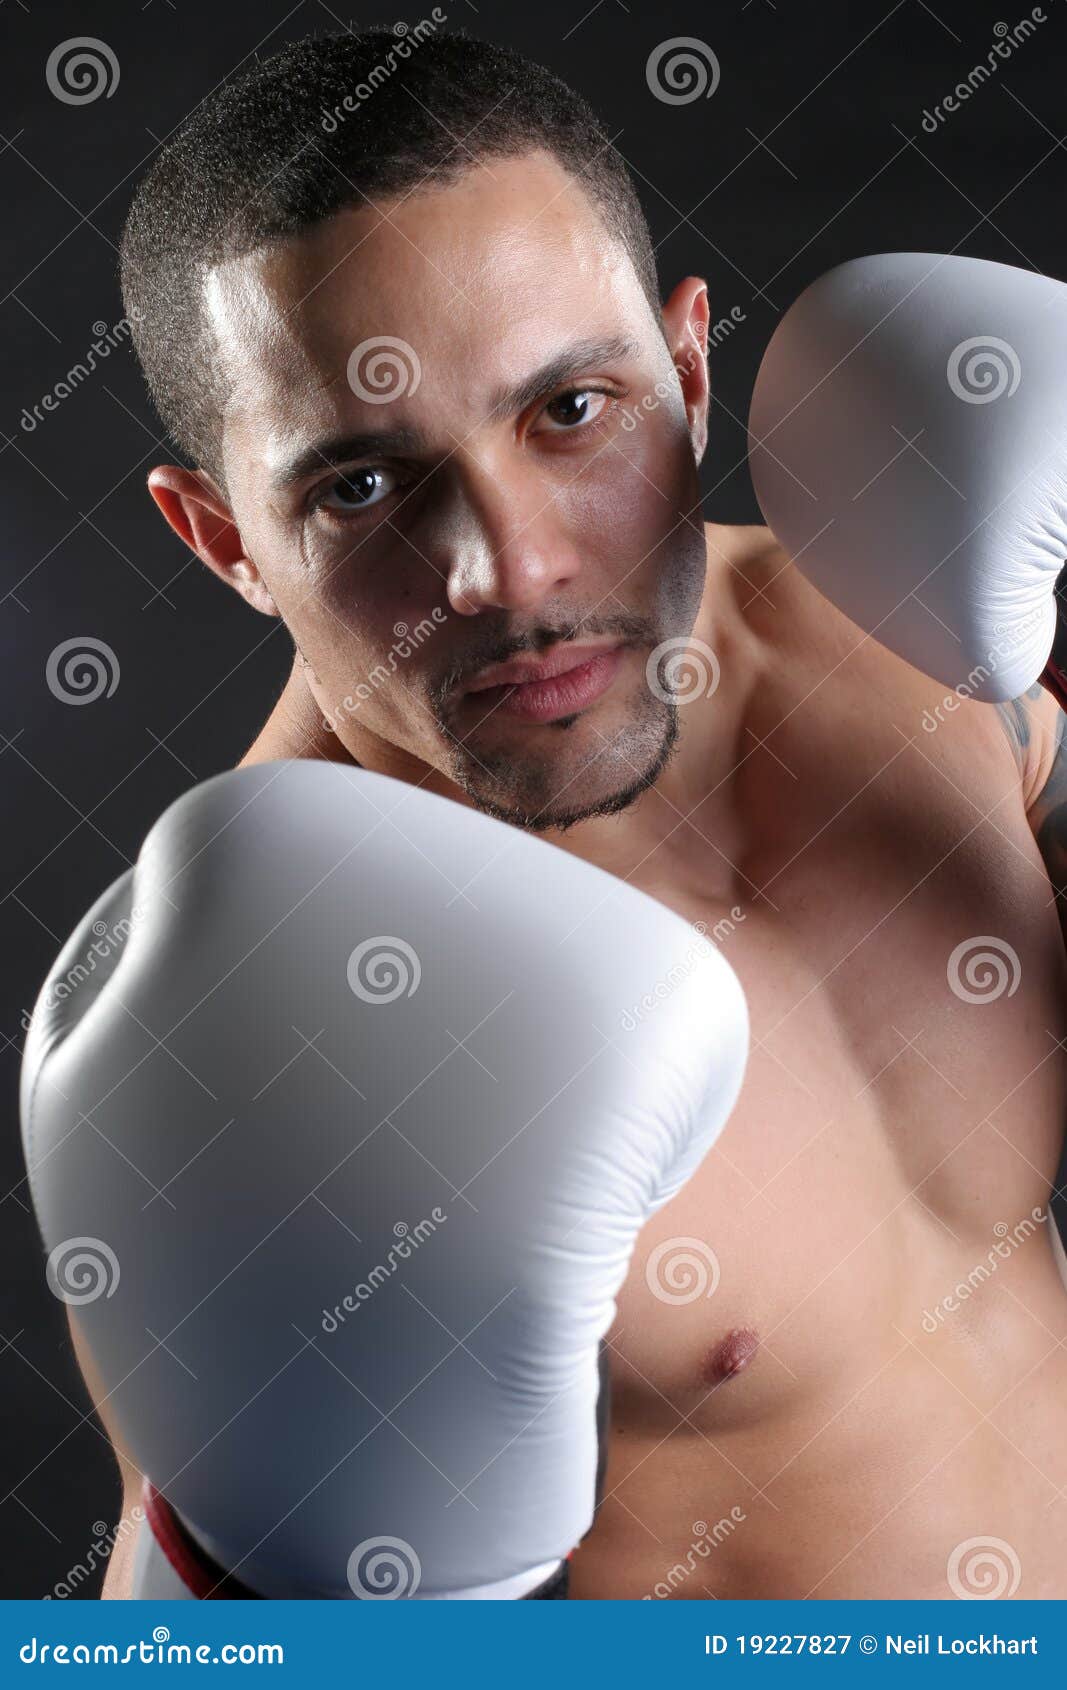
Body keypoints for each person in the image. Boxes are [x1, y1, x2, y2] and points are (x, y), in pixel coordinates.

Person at [37, 29, 1067, 1598]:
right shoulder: (258, 1032)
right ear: (223, 538)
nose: (508, 571)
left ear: (690, 368)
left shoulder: (921, 625)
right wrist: (227, 1568)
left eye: (571, 411)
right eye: (364, 490)